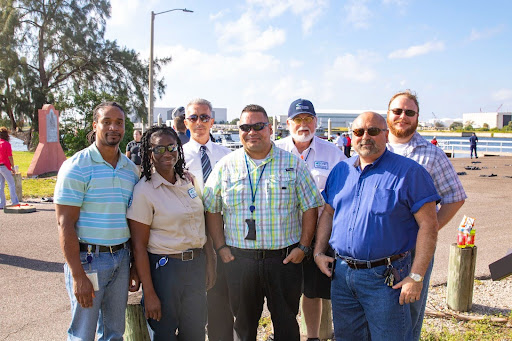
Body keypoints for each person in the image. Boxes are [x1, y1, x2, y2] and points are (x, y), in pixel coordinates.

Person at [314, 112, 440, 340]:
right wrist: (318, 252)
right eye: (358, 132)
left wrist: (417, 277)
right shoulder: (341, 171)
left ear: (386, 134)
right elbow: (329, 213)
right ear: (351, 136)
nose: (365, 137)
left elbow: (429, 227)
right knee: (347, 337)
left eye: (373, 131)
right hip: (342, 275)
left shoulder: (410, 173)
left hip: (386, 278)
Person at [204, 104, 324, 341]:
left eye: (258, 126)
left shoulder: (293, 164)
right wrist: (220, 247)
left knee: (287, 323)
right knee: (243, 325)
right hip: (240, 259)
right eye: (245, 127)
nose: (252, 132)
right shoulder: (225, 166)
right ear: (239, 130)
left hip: (284, 259)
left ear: (270, 128)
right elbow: (212, 209)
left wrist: (303, 247)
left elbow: (311, 206)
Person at [54, 102, 140, 340]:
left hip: (121, 259)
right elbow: (65, 224)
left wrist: (132, 264)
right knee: (83, 333)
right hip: (89, 260)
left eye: (119, 123)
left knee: (115, 332)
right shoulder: (76, 167)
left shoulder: (130, 170)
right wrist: (78, 275)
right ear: (95, 126)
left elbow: (132, 222)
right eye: (107, 122)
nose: (114, 127)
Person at [386, 90, 466, 340]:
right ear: (387, 114)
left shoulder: (431, 154)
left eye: (409, 112)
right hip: (374, 250)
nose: (403, 117)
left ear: (417, 117)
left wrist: (429, 230)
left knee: (407, 313)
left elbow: (455, 196)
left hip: (411, 252)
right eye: (397, 111)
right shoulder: (373, 145)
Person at [127, 125, 215, 340]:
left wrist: (210, 262)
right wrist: (149, 293)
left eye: (171, 147)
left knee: (194, 332)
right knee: (164, 333)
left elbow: (201, 224)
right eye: (158, 149)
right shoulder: (144, 191)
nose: (166, 153)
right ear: (149, 154)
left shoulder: (188, 181)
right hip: (165, 270)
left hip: (195, 265)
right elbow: (138, 246)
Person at [275, 98, 345, 341]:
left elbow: (343, 194)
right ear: (288, 123)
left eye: (308, 119)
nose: (303, 124)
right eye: (297, 120)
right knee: (282, 291)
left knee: (313, 292)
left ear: (315, 121)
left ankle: (312, 337)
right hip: (283, 233)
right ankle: (283, 333)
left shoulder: (334, 154)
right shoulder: (275, 151)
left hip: (319, 235)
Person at [182, 98, 233, 341]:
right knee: (193, 300)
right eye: (193, 117)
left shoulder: (228, 156)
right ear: (185, 122)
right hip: (190, 236)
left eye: (204, 117)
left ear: (212, 121)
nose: (199, 122)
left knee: (221, 300)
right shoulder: (177, 156)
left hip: (223, 233)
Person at [0, 127, 20, 209]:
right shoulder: (7, 144)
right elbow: (10, 157)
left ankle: (2, 203)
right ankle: (14, 201)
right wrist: (12, 167)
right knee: (11, 183)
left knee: (1, 185)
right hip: (5, 166)